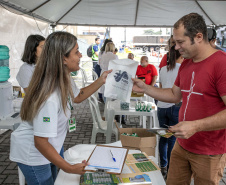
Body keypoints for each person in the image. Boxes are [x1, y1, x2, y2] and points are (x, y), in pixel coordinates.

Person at [132, 13, 226, 185]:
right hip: (182, 145)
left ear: (198, 37)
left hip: (209, 151)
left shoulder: (221, 63)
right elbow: (175, 95)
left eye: (180, 42)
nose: (176, 47)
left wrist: (196, 125)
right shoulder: (186, 64)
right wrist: (145, 88)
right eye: (175, 42)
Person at [10, 31, 112, 185]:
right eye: (76, 51)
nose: (81, 56)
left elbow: (77, 96)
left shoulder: (63, 77)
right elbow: (40, 142)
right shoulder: (49, 97)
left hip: (51, 146)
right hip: (34, 154)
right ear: (63, 58)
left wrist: (101, 80)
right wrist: (69, 168)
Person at [157, 45, 183, 180]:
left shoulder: (162, 69)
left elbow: (161, 88)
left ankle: (162, 166)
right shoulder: (183, 69)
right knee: (173, 138)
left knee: (163, 137)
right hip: (175, 106)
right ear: (181, 55)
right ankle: (170, 169)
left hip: (161, 107)